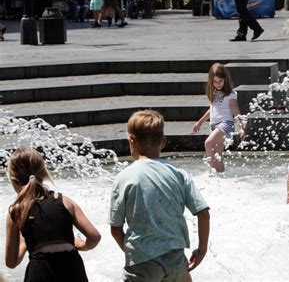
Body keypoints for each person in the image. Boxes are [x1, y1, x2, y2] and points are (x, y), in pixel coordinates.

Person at [109, 110, 210, 282]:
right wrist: (201, 250)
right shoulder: (178, 174)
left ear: (131, 140)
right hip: (176, 259)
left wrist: (135, 254)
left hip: (142, 264)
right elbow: (203, 213)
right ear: (163, 142)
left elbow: (115, 228)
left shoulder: (124, 178)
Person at [5, 147, 101, 281]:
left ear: (14, 180)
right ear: (44, 173)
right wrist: (82, 245)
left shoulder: (16, 211)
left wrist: (24, 243)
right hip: (72, 268)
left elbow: (11, 262)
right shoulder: (65, 202)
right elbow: (94, 236)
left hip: (40, 272)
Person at [193, 63, 243, 173]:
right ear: (211, 81)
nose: (218, 84)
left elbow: (235, 110)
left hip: (226, 123)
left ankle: (210, 172)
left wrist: (241, 126)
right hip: (214, 124)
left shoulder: (231, 94)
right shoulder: (214, 92)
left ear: (225, 79)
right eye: (215, 82)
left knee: (208, 143)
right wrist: (200, 122)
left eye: (220, 81)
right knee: (217, 155)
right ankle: (221, 177)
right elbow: (212, 109)